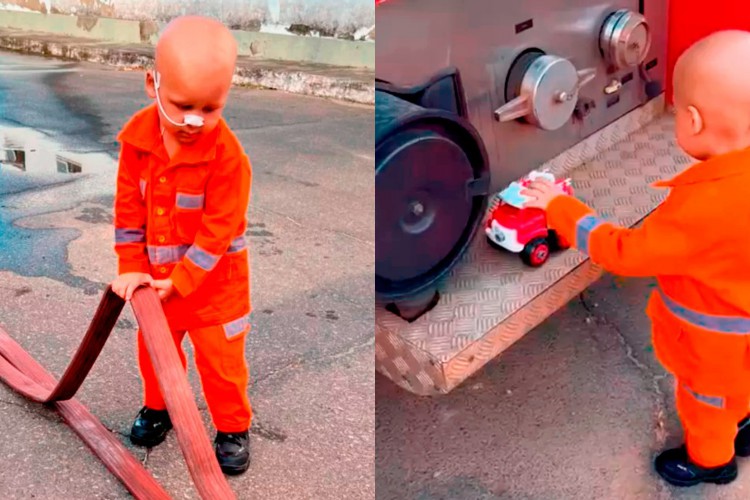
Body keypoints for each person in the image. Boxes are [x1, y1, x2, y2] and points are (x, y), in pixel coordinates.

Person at [522, 29, 750, 488]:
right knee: (740, 387)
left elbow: (624, 252)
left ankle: (711, 460)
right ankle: (743, 421)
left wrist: (559, 208)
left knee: (704, 404)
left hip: (712, 344)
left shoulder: (702, 208)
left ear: (692, 121)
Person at [110, 15, 253, 475]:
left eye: (210, 108)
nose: (195, 120)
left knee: (222, 365)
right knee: (156, 356)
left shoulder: (229, 159)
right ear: (152, 84)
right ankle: (160, 407)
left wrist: (183, 279)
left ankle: (232, 428)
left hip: (215, 290)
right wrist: (131, 265)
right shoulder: (136, 142)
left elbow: (219, 230)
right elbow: (128, 210)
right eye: (183, 104)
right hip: (156, 283)